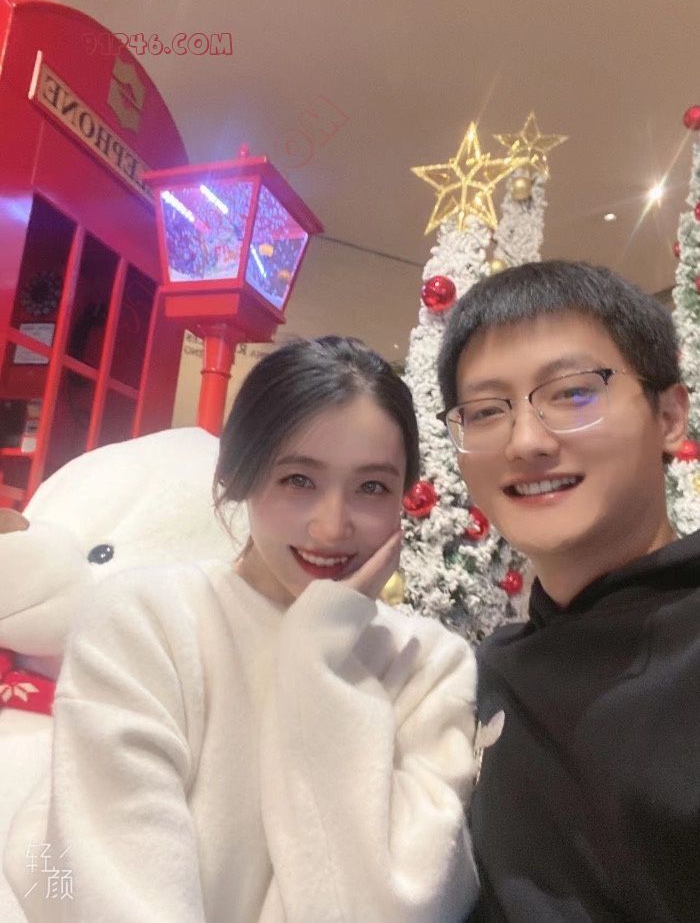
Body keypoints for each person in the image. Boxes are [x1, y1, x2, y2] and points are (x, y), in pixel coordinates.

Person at [6, 336, 479, 923]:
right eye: (298, 480)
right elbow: (110, 883)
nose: (332, 527)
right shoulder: (147, 620)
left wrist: (321, 658)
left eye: (372, 487)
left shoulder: (429, 663)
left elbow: (402, 905)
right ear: (241, 474)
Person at [436, 260, 699, 922]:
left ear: (670, 415)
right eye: (486, 411)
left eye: (574, 393)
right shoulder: (480, 674)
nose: (526, 441)